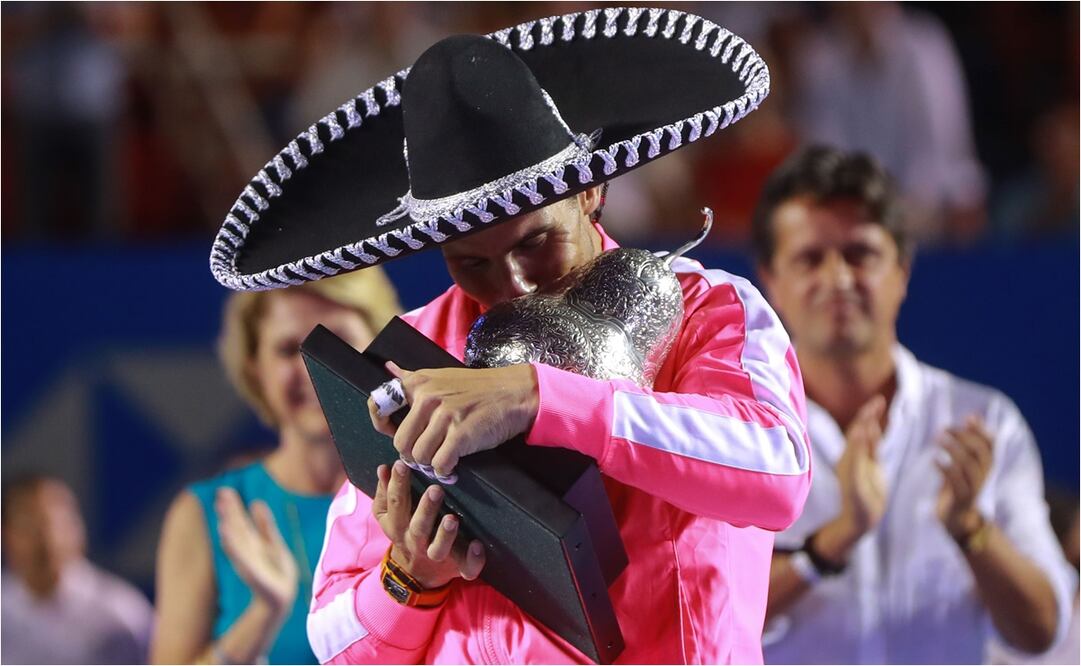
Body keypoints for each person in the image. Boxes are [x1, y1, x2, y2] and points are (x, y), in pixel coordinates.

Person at [208, 8, 811, 664]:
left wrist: (536, 398)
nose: (514, 284)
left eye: (536, 242)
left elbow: (776, 472)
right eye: (472, 263)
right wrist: (410, 578)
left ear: (591, 192)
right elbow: (331, 638)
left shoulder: (709, 307)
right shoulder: (405, 359)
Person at [751, 146, 1077, 663]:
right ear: (771, 280)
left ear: (902, 269)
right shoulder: (741, 428)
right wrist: (832, 542)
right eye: (811, 257)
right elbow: (705, 614)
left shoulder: (985, 421)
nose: (837, 278)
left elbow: (1042, 631)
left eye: (860, 254)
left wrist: (972, 530)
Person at [151, 268, 401, 664]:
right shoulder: (203, 516)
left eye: (337, 344)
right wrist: (263, 614)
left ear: (378, 352)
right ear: (255, 368)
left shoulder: (427, 489)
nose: (312, 370)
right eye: (288, 350)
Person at [1, 474, 154, 664]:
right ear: (6, 534)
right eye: (29, 523)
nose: (48, 537)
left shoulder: (125, 613)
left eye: (58, 521)